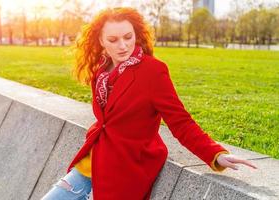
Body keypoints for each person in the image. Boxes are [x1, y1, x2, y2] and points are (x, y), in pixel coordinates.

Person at [41, 6, 257, 200]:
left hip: (126, 169)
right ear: (101, 41)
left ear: (136, 35)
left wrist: (216, 154)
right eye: (113, 40)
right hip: (90, 163)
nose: (123, 46)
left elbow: (181, 121)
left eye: (128, 37)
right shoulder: (102, 71)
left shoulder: (153, 71)